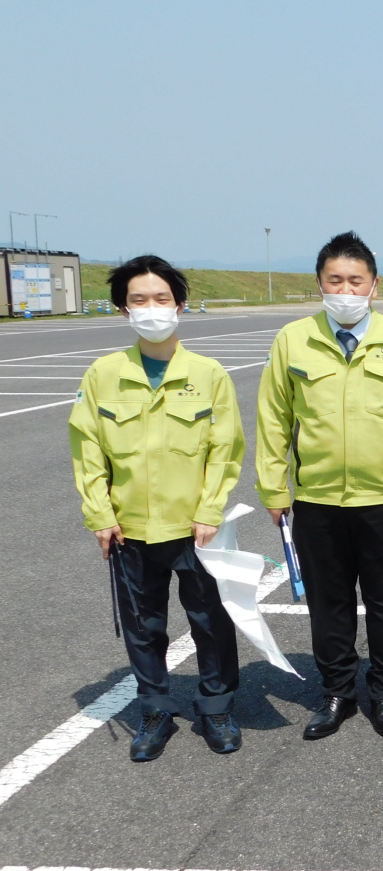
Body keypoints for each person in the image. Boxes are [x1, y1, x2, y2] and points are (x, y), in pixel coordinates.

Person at [256, 231, 383, 740]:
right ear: (319, 284)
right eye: (334, 280)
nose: (345, 289)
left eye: (355, 280)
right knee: (329, 603)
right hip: (316, 501)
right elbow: (274, 419)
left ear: (374, 286)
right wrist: (274, 489)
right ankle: (338, 690)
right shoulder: (294, 340)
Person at [69, 255, 245, 761]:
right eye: (139, 300)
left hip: (195, 529)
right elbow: (87, 450)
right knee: (144, 626)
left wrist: (211, 510)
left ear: (180, 306)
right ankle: (155, 709)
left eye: (162, 299)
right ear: (124, 308)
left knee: (210, 621)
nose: (152, 309)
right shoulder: (104, 375)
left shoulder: (208, 374)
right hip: (129, 529)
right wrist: (100, 515)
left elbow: (225, 448)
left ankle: (216, 707)